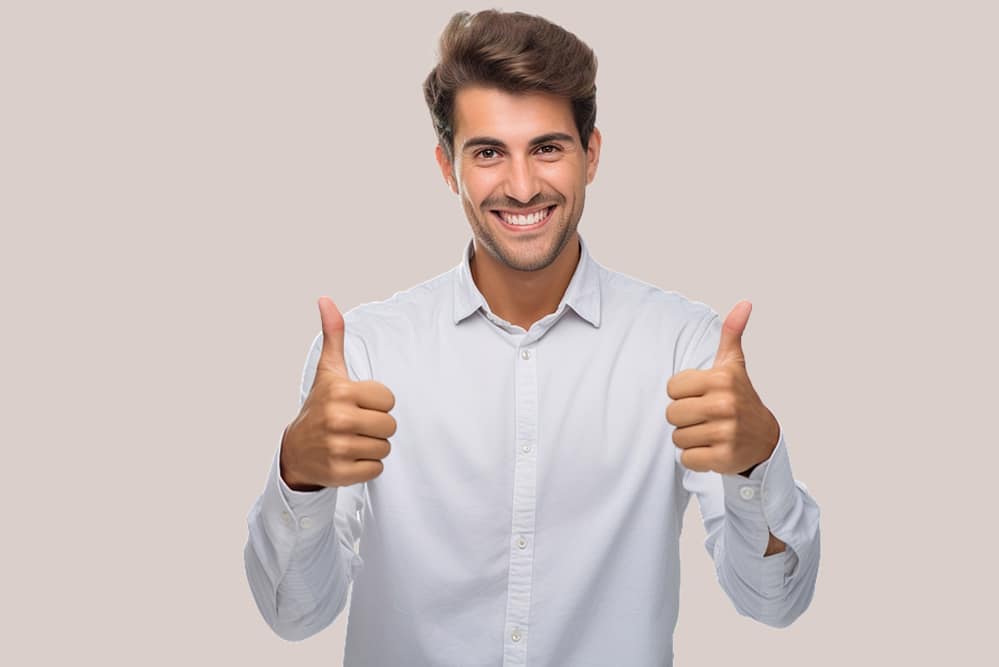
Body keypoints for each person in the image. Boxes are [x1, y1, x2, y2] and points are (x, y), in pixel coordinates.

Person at [244, 9, 821, 666]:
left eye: (547, 147)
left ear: (592, 154)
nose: (521, 186)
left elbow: (774, 600)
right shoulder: (368, 353)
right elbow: (295, 614)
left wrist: (758, 462)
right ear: (446, 166)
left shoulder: (683, 347)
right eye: (488, 152)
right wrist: (299, 475)